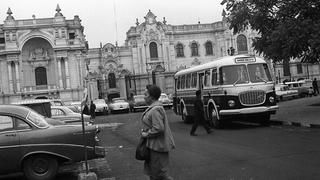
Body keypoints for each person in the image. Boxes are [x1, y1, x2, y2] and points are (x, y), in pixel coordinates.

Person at [140, 84, 175, 180]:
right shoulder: (154, 108)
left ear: (151, 96)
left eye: (145, 94)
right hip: (154, 146)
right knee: (155, 174)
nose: (144, 97)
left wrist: (146, 134)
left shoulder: (156, 109)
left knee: (160, 175)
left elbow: (158, 128)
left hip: (158, 147)